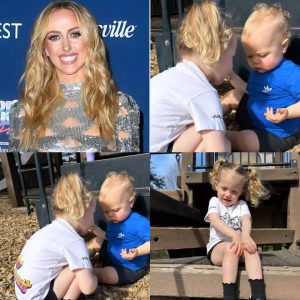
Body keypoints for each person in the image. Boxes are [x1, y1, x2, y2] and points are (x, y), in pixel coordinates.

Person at [9, 1, 140, 152]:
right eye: (54, 37)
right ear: (44, 48)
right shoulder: (24, 111)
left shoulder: (119, 106)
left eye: (75, 34)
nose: (66, 47)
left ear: (90, 41)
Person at [150, 1, 236, 152]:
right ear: (218, 52)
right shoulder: (204, 92)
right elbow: (217, 151)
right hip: (157, 161)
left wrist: (225, 107)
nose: (232, 65)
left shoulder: (169, 78)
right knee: (222, 142)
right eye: (232, 57)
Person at [226, 3, 300, 151]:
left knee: (246, 140)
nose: (254, 61)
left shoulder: (292, 74)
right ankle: (209, 118)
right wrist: (232, 77)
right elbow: (249, 89)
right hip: (252, 117)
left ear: (283, 46)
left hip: (275, 134)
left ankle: (219, 135)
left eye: (262, 55)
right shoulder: (259, 69)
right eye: (249, 56)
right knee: (233, 95)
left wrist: (287, 113)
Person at [14, 173, 98, 300]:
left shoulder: (48, 231)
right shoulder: (75, 241)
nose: (94, 220)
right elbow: (88, 288)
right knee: (79, 272)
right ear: (81, 211)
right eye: (93, 213)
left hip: (23, 291)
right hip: (39, 297)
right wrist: (94, 276)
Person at [205, 159, 269, 300]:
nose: (228, 194)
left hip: (238, 246)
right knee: (231, 248)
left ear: (240, 193)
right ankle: (229, 295)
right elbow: (214, 220)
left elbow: (246, 219)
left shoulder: (241, 205)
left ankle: (258, 294)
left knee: (251, 249)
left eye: (234, 192)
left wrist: (245, 236)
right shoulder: (214, 202)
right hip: (218, 249)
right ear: (216, 185)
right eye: (224, 189)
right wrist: (234, 234)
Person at [90, 171, 150, 285]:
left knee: (108, 275)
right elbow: (107, 237)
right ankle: (80, 261)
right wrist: (94, 229)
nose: (110, 215)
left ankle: (88, 273)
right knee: (95, 242)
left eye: (116, 210)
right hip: (111, 256)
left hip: (129, 267)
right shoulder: (114, 220)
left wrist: (137, 251)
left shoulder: (139, 223)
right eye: (106, 211)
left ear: (131, 202)